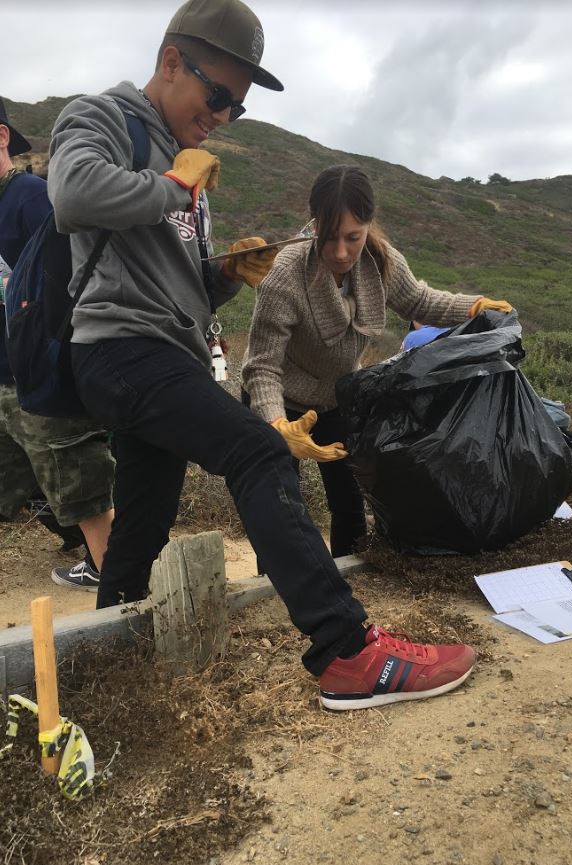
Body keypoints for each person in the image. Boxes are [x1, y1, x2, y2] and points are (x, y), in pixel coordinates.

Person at [47, 0, 475, 711]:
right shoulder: (101, 117)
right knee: (259, 452)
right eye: (216, 97)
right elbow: (70, 193)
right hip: (120, 350)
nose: (219, 117)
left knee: (146, 518)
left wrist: (218, 277)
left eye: (234, 111)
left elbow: (162, 283)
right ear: (171, 62)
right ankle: (345, 651)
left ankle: (102, 660)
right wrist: (172, 186)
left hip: (163, 353)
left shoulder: (190, 159)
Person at [242, 164, 513, 558]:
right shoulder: (286, 275)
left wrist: (471, 306)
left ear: (369, 224)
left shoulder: (380, 262)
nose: (340, 251)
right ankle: (277, 589)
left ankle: (347, 580)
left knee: (349, 500)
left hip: (334, 397)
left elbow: (419, 300)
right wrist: (277, 426)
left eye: (353, 237)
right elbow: (262, 365)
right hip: (280, 403)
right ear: (314, 223)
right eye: (329, 236)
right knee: (280, 505)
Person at [0, 97, 114, 590]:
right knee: (34, 479)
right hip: (5, 375)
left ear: (2, 137)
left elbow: (63, 272)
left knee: (77, 475)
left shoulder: (28, 195)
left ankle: (120, 584)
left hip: (33, 370)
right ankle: (88, 548)